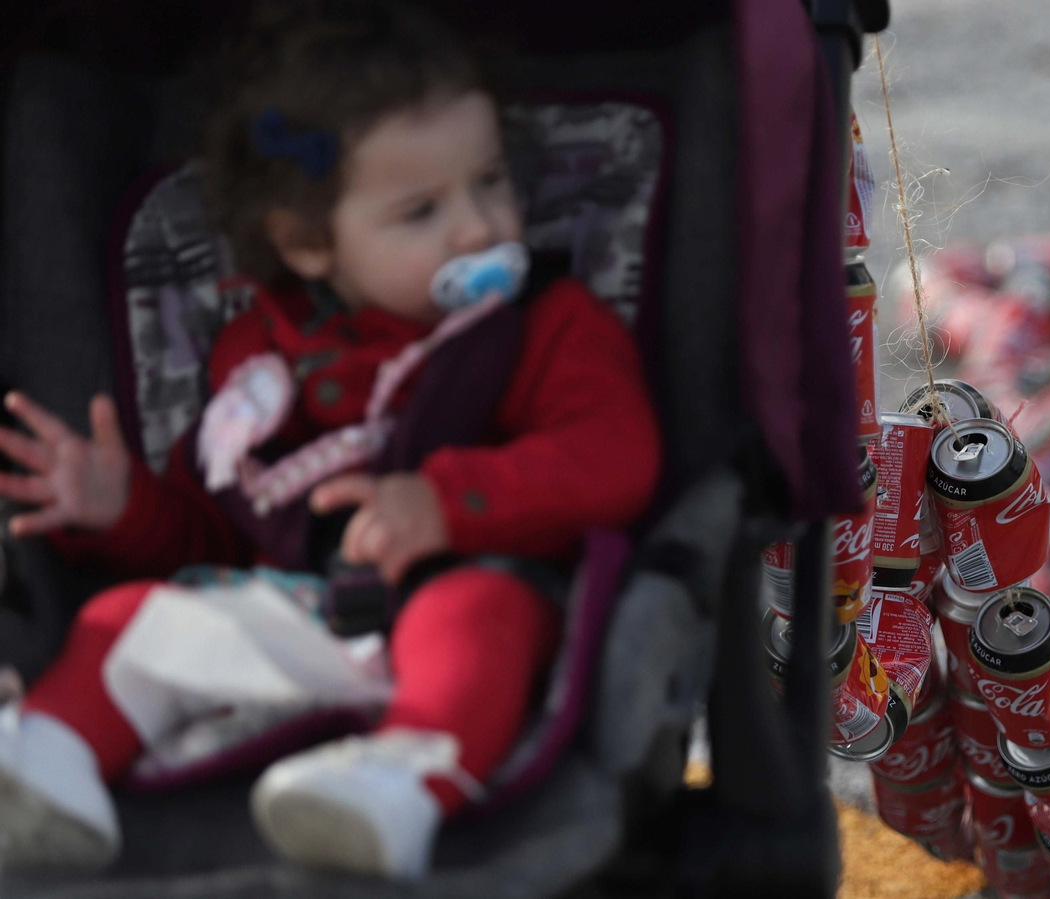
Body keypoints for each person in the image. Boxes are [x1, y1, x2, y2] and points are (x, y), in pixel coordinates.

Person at [0, 0, 659, 880]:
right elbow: (216, 532)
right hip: (299, 615)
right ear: (309, 243)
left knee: (475, 615)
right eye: (423, 211)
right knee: (122, 618)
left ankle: (395, 782)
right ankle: (51, 766)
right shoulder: (261, 363)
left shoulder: (542, 326)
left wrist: (450, 501)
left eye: (491, 180)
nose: (479, 227)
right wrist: (124, 508)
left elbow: (616, 454)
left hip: (464, 601)